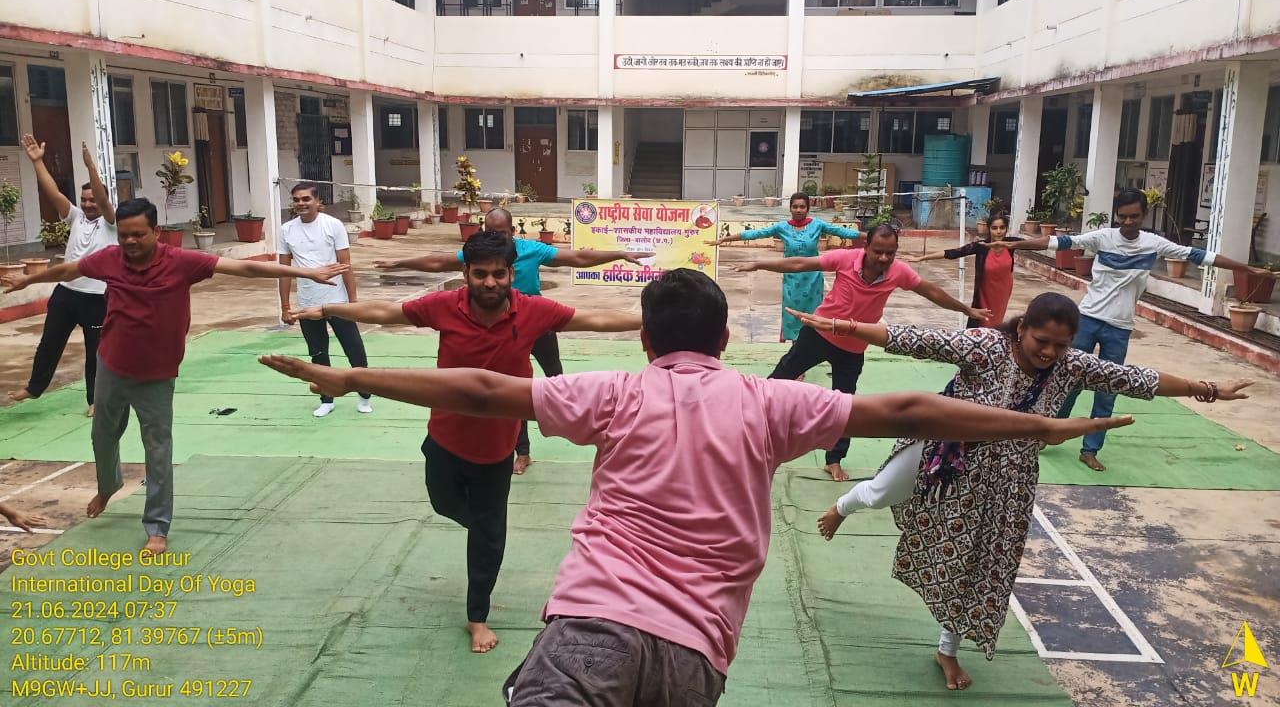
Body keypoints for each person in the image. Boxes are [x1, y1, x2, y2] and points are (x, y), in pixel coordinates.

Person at [260, 269, 1135, 706]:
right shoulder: (771, 401)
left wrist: (352, 381)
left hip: (592, 632)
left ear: (645, 337)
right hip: (694, 657)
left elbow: (488, 391)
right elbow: (907, 405)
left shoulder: (614, 390)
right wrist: (1041, 426)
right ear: (724, 336)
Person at [789, 293, 1252, 691]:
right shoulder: (987, 346)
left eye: (1060, 345)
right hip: (946, 449)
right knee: (881, 490)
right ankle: (843, 507)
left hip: (1007, 478)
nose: (1050, 352)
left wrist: (1206, 388)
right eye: (1041, 341)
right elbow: (915, 337)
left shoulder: (1072, 365)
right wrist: (842, 325)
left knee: (982, 562)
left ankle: (946, 649)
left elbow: (1137, 379)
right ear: (1022, 328)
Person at [291, 230, 642, 655]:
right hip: (444, 438)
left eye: (498, 274)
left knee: (488, 536)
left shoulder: (534, 311)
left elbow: (598, 321)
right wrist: (325, 308)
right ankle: (483, 529)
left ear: (512, 273)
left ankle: (477, 616)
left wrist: (661, 321)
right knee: (445, 506)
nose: (490, 283)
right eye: (480, 275)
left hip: (497, 450)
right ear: (466, 274)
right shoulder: (444, 306)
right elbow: (386, 312)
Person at [1, 197, 348, 555]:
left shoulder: (182, 261)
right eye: (124, 236)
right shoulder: (109, 259)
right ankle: (108, 486)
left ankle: (157, 527)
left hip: (156, 373)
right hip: (112, 365)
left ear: (156, 231)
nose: (130, 242)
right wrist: (31, 280)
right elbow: (68, 271)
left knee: (157, 450)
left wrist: (305, 273)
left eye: (138, 234)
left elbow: (245, 270)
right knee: (102, 437)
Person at [995, 188, 1269, 471]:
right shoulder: (1102, 238)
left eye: (1134, 216)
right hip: (1087, 318)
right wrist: (1014, 246)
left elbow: (1203, 257)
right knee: (1067, 379)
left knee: (1108, 389)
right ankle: (1052, 433)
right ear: (1117, 215)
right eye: (1123, 216)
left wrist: (1249, 270)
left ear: (1144, 215)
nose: (1128, 222)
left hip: (1120, 327)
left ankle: (1090, 449)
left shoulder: (1154, 244)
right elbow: (1058, 242)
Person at [373, 207, 653, 476]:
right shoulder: (480, 254)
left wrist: (618, 254)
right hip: (498, 326)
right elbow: (437, 261)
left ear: (512, 231)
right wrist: (398, 262)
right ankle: (522, 451)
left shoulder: (531, 249)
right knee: (510, 387)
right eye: (492, 231)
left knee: (555, 375)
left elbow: (577, 258)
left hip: (534, 321)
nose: (498, 238)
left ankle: (575, 427)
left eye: (503, 233)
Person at [736, 221, 991, 481]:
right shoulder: (846, 259)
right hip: (818, 335)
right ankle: (747, 427)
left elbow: (930, 291)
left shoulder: (898, 272)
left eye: (890, 253)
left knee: (845, 404)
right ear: (866, 247)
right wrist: (759, 264)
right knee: (780, 377)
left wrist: (966, 310)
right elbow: (800, 263)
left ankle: (833, 459)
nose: (883, 258)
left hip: (853, 347)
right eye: (878, 251)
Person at [7, 136, 117, 416]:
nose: (88, 203)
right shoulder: (76, 217)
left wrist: (92, 167)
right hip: (66, 294)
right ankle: (34, 388)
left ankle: (95, 400)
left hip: (96, 298)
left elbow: (104, 200)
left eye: (92, 199)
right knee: (49, 343)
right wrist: (36, 161)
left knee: (97, 353)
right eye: (84, 199)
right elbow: (53, 192)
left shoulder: (110, 223)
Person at [707, 191, 862, 341]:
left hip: (813, 279)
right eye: (795, 207)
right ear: (790, 208)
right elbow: (755, 234)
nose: (799, 210)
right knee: (793, 315)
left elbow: (843, 232)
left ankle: (810, 345)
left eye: (802, 207)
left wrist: (871, 236)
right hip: (792, 279)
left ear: (808, 208)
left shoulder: (817, 225)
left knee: (814, 315)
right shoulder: (782, 227)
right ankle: (796, 347)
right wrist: (724, 239)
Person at [278, 182, 372, 418]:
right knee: (318, 353)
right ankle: (327, 398)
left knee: (354, 350)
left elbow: (345, 266)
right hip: (307, 303)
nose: (301, 203)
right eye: (297, 200)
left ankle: (364, 394)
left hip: (337, 300)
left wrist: (353, 302)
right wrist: (286, 307)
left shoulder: (333, 225)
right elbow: (284, 271)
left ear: (318, 202)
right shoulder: (286, 230)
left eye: (306, 199)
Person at [903, 212, 1021, 327]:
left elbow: (1036, 245)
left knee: (997, 322)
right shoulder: (981, 246)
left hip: (1003, 292)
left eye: (1002, 227)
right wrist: (921, 258)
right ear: (989, 229)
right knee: (981, 320)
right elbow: (953, 252)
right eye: (994, 228)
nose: (999, 231)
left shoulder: (1011, 244)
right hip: (985, 292)